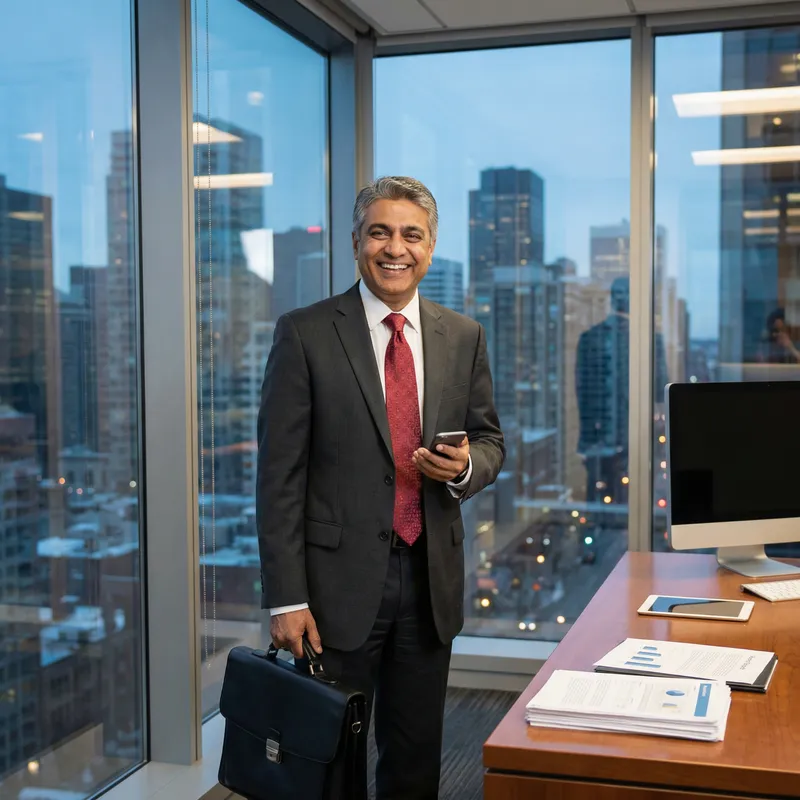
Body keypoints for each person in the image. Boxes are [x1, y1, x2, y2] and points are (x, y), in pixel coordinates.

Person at [256, 176, 505, 799]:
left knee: (415, 760)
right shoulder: (305, 332)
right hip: (332, 591)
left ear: (431, 246)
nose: (396, 248)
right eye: (380, 232)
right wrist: (285, 597)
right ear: (355, 242)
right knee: (330, 763)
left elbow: (490, 441)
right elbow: (278, 477)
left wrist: (465, 467)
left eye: (411, 235)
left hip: (429, 581)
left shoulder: (463, 336)